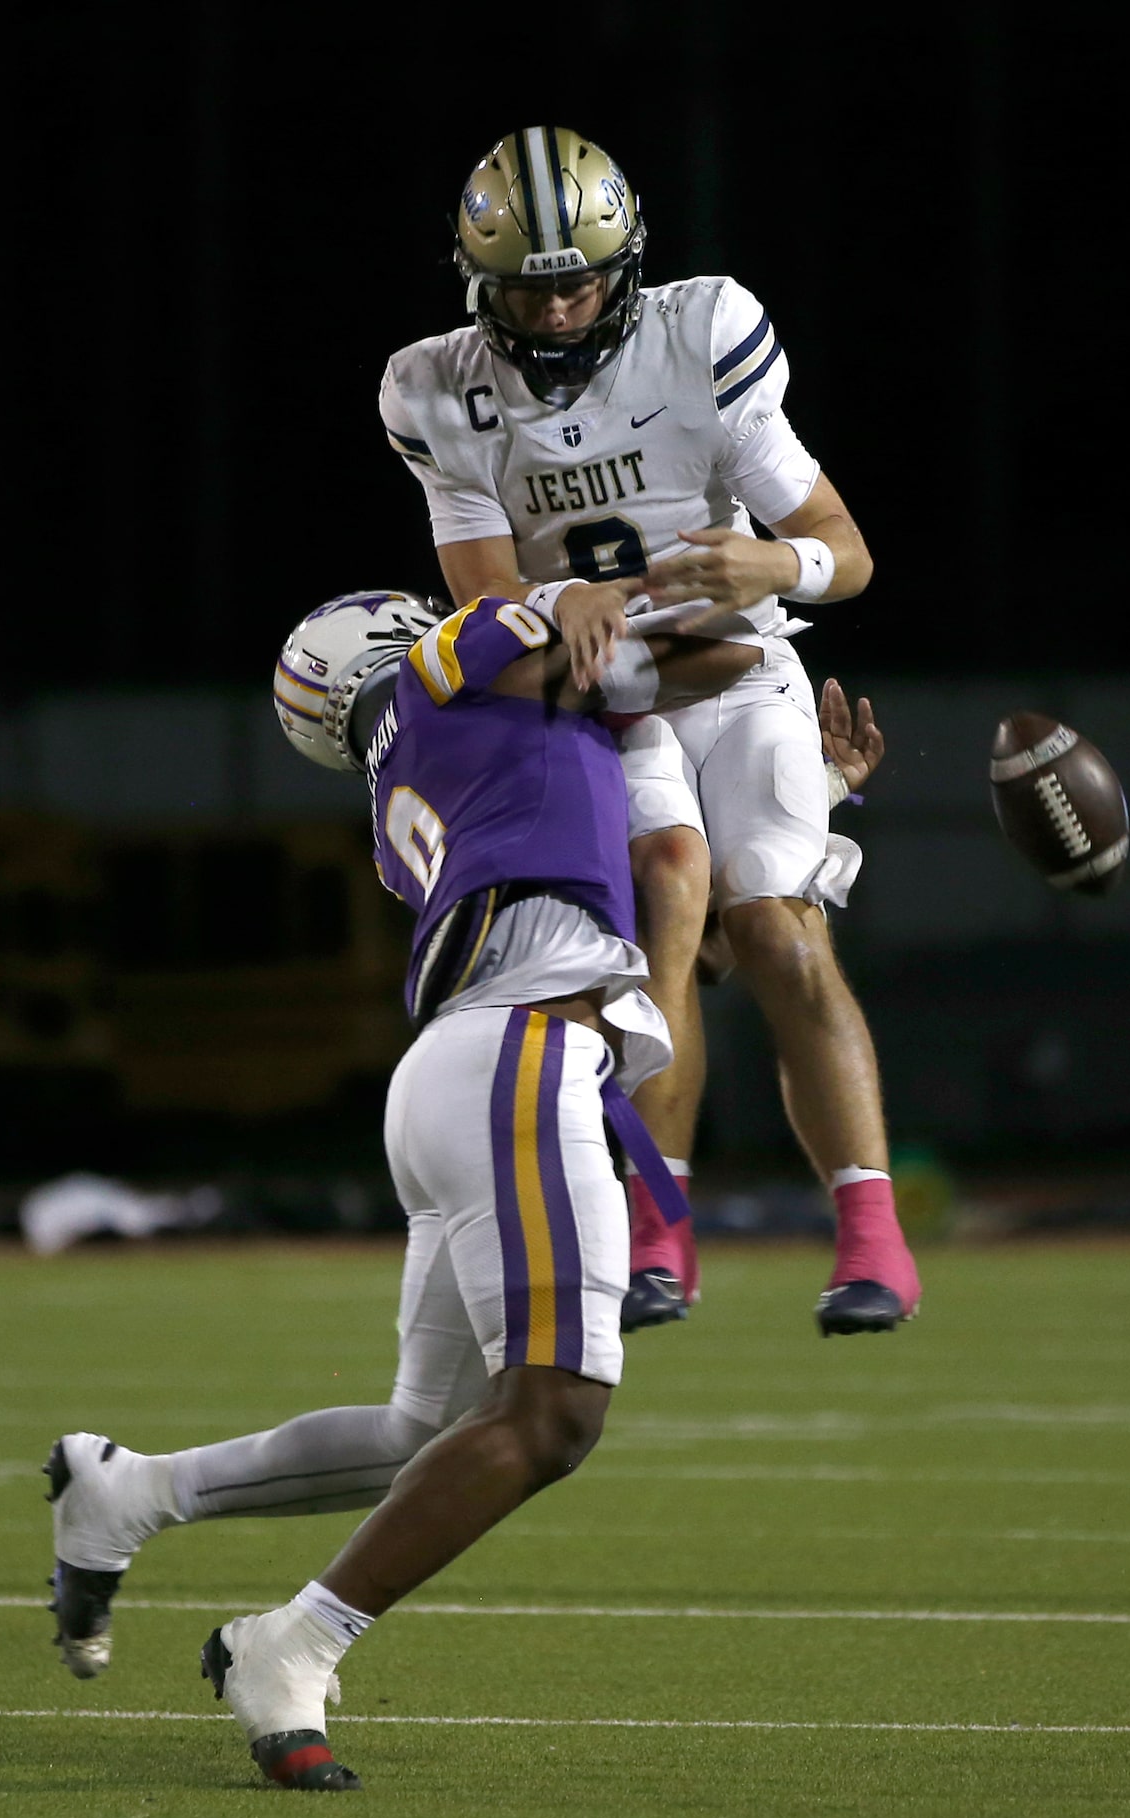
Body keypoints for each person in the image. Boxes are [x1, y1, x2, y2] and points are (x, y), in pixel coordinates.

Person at [47, 589, 755, 1790]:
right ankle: (293, 1643)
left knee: (425, 1436)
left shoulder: (417, 791)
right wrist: (619, 593)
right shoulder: (448, 670)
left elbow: (686, 934)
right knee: (554, 1414)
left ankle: (132, 1492)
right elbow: (719, 652)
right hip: (517, 1059)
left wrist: (800, 820)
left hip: (470, 1070)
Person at [378, 126, 918, 1336]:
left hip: (737, 670)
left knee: (774, 926)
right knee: (672, 887)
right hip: (608, 687)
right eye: (532, 285)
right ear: (481, 284)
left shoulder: (704, 332)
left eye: (580, 278)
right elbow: (478, 607)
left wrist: (772, 556)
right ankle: (659, 1229)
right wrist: (548, 598)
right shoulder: (437, 388)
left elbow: (850, 554)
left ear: (625, 266)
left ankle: (872, 1235)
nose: (562, 307)